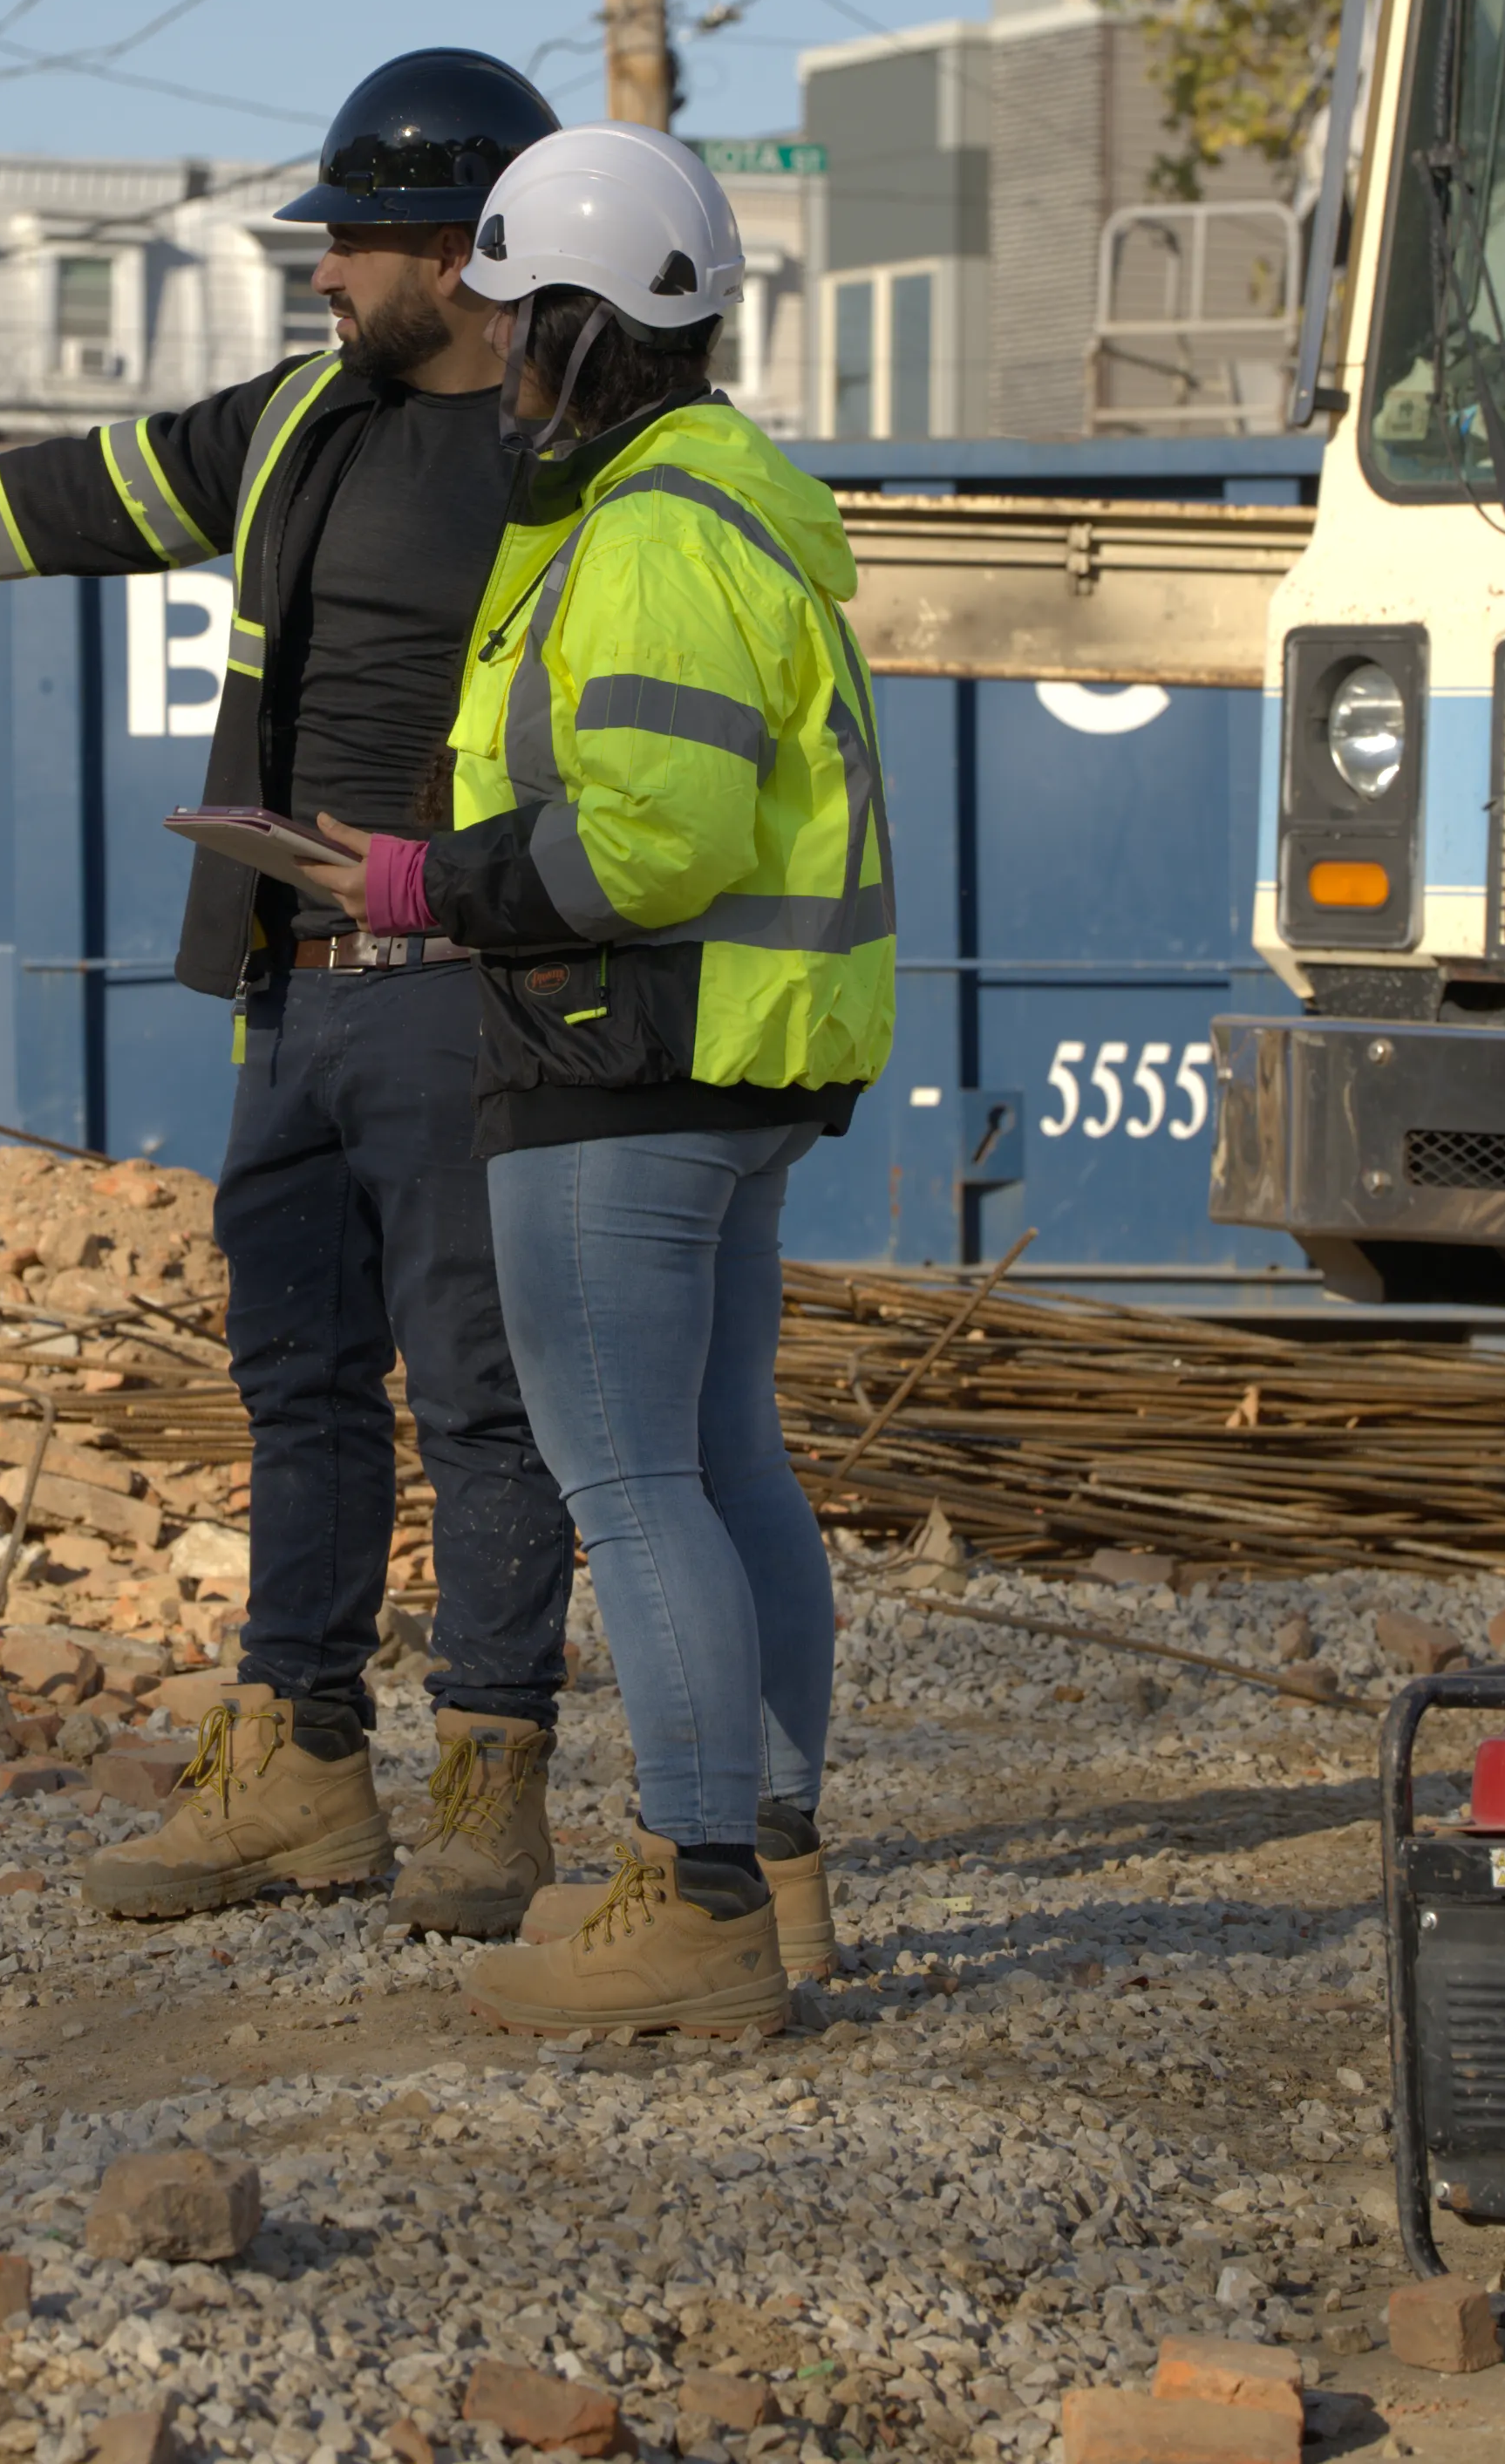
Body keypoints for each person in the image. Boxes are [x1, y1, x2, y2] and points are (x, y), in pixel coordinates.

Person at [0, 50, 576, 1937]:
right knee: (297, 1379)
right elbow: (72, 496)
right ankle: (299, 1767)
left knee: (482, 1399)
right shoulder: (302, 420)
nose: (319, 271)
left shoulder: (574, 456)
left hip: (473, 994)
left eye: (355, 242)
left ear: (467, 248)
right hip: (295, 987)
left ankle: (493, 1789)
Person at [306, 120, 896, 2040]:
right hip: (728, 1067)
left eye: (506, 313)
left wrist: (415, 884)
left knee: (631, 1481)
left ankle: (695, 1895)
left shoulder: (642, 535)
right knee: (728, 1463)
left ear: (573, 323)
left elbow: (648, 843)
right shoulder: (741, 511)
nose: (489, 355)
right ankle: (777, 1884)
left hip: (615, 1053)